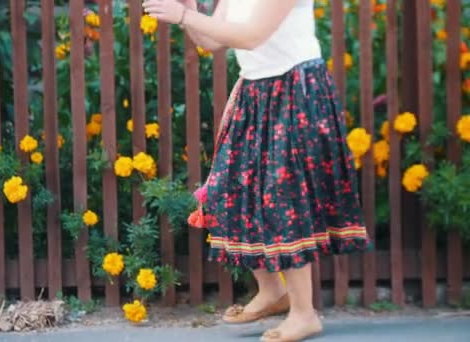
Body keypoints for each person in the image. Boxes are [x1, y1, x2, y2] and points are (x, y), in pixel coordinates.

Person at [143, 0, 372, 341]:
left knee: (284, 199)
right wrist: (189, 15)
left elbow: (251, 36)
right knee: (230, 189)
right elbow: (212, 41)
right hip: (255, 90)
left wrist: (184, 15)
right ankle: (270, 291)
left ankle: (304, 314)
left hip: (295, 90)